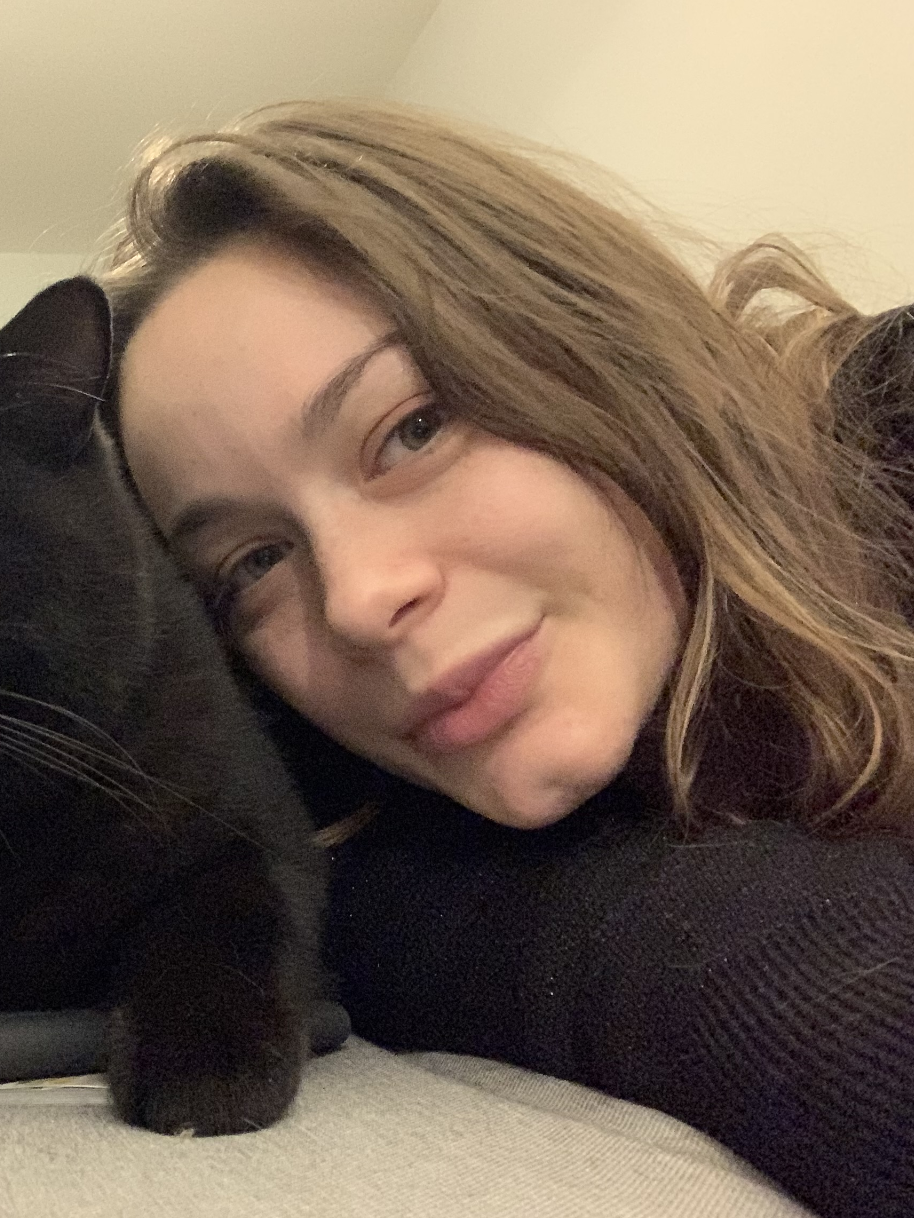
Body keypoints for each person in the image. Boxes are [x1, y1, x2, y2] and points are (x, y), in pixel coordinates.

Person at [97, 100, 913, 1218]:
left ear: (597, 339)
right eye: (253, 563)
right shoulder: (380, 848)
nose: (359, 601)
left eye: (413, 429)